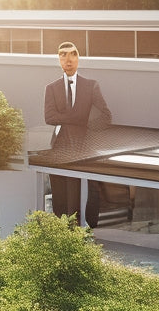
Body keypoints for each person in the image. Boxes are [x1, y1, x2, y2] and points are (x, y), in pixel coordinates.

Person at [44, 41, 112, 227]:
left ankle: (84, 232)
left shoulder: (90, 86)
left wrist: (87, 130)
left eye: (72, 54)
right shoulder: (52, 88)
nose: (68, 59)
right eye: (63, 55)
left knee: (83, 197)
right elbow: (49, 117)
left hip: (83, 150)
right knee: (61, 201)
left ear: (78, 58)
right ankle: (64, 237)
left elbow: (106, 117)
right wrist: (78, 119)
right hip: (59, 150)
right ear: (58, 60)